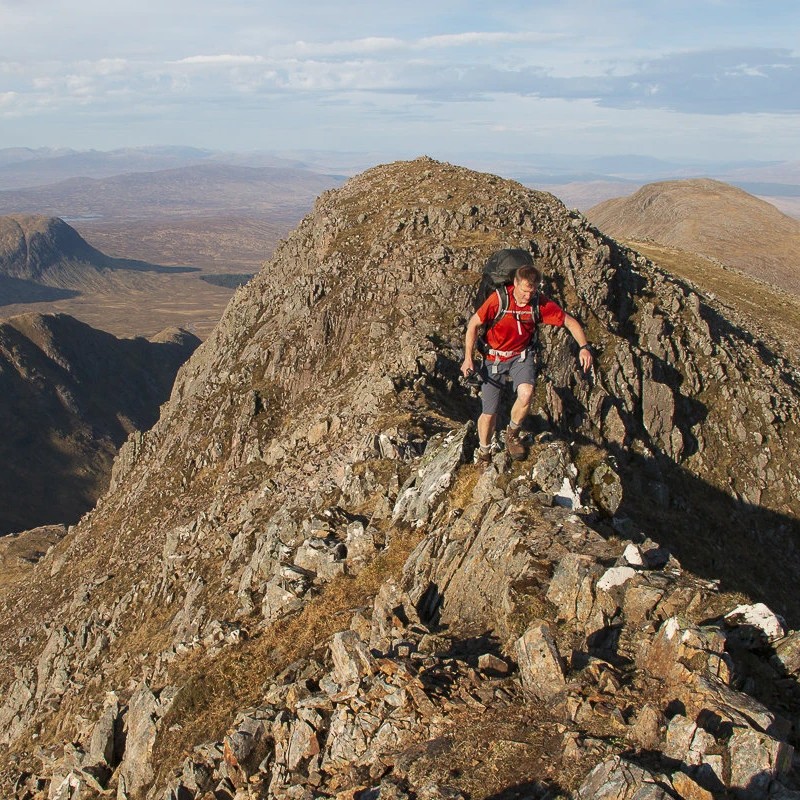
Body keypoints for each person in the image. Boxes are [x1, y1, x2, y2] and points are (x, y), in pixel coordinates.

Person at [460, 262, 593, 463]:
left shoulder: (538, 303)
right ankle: (484, 452)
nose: (527, 297)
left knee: (526, 393)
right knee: (489, 414)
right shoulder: (499, 300)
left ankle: (511, 435)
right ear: (515, 283)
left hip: (521, 356)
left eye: (532, 292)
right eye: (523, 291)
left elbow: (568, 321)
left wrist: (584, 347)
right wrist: (468, 358)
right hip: (494, 358)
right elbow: (473, 325)